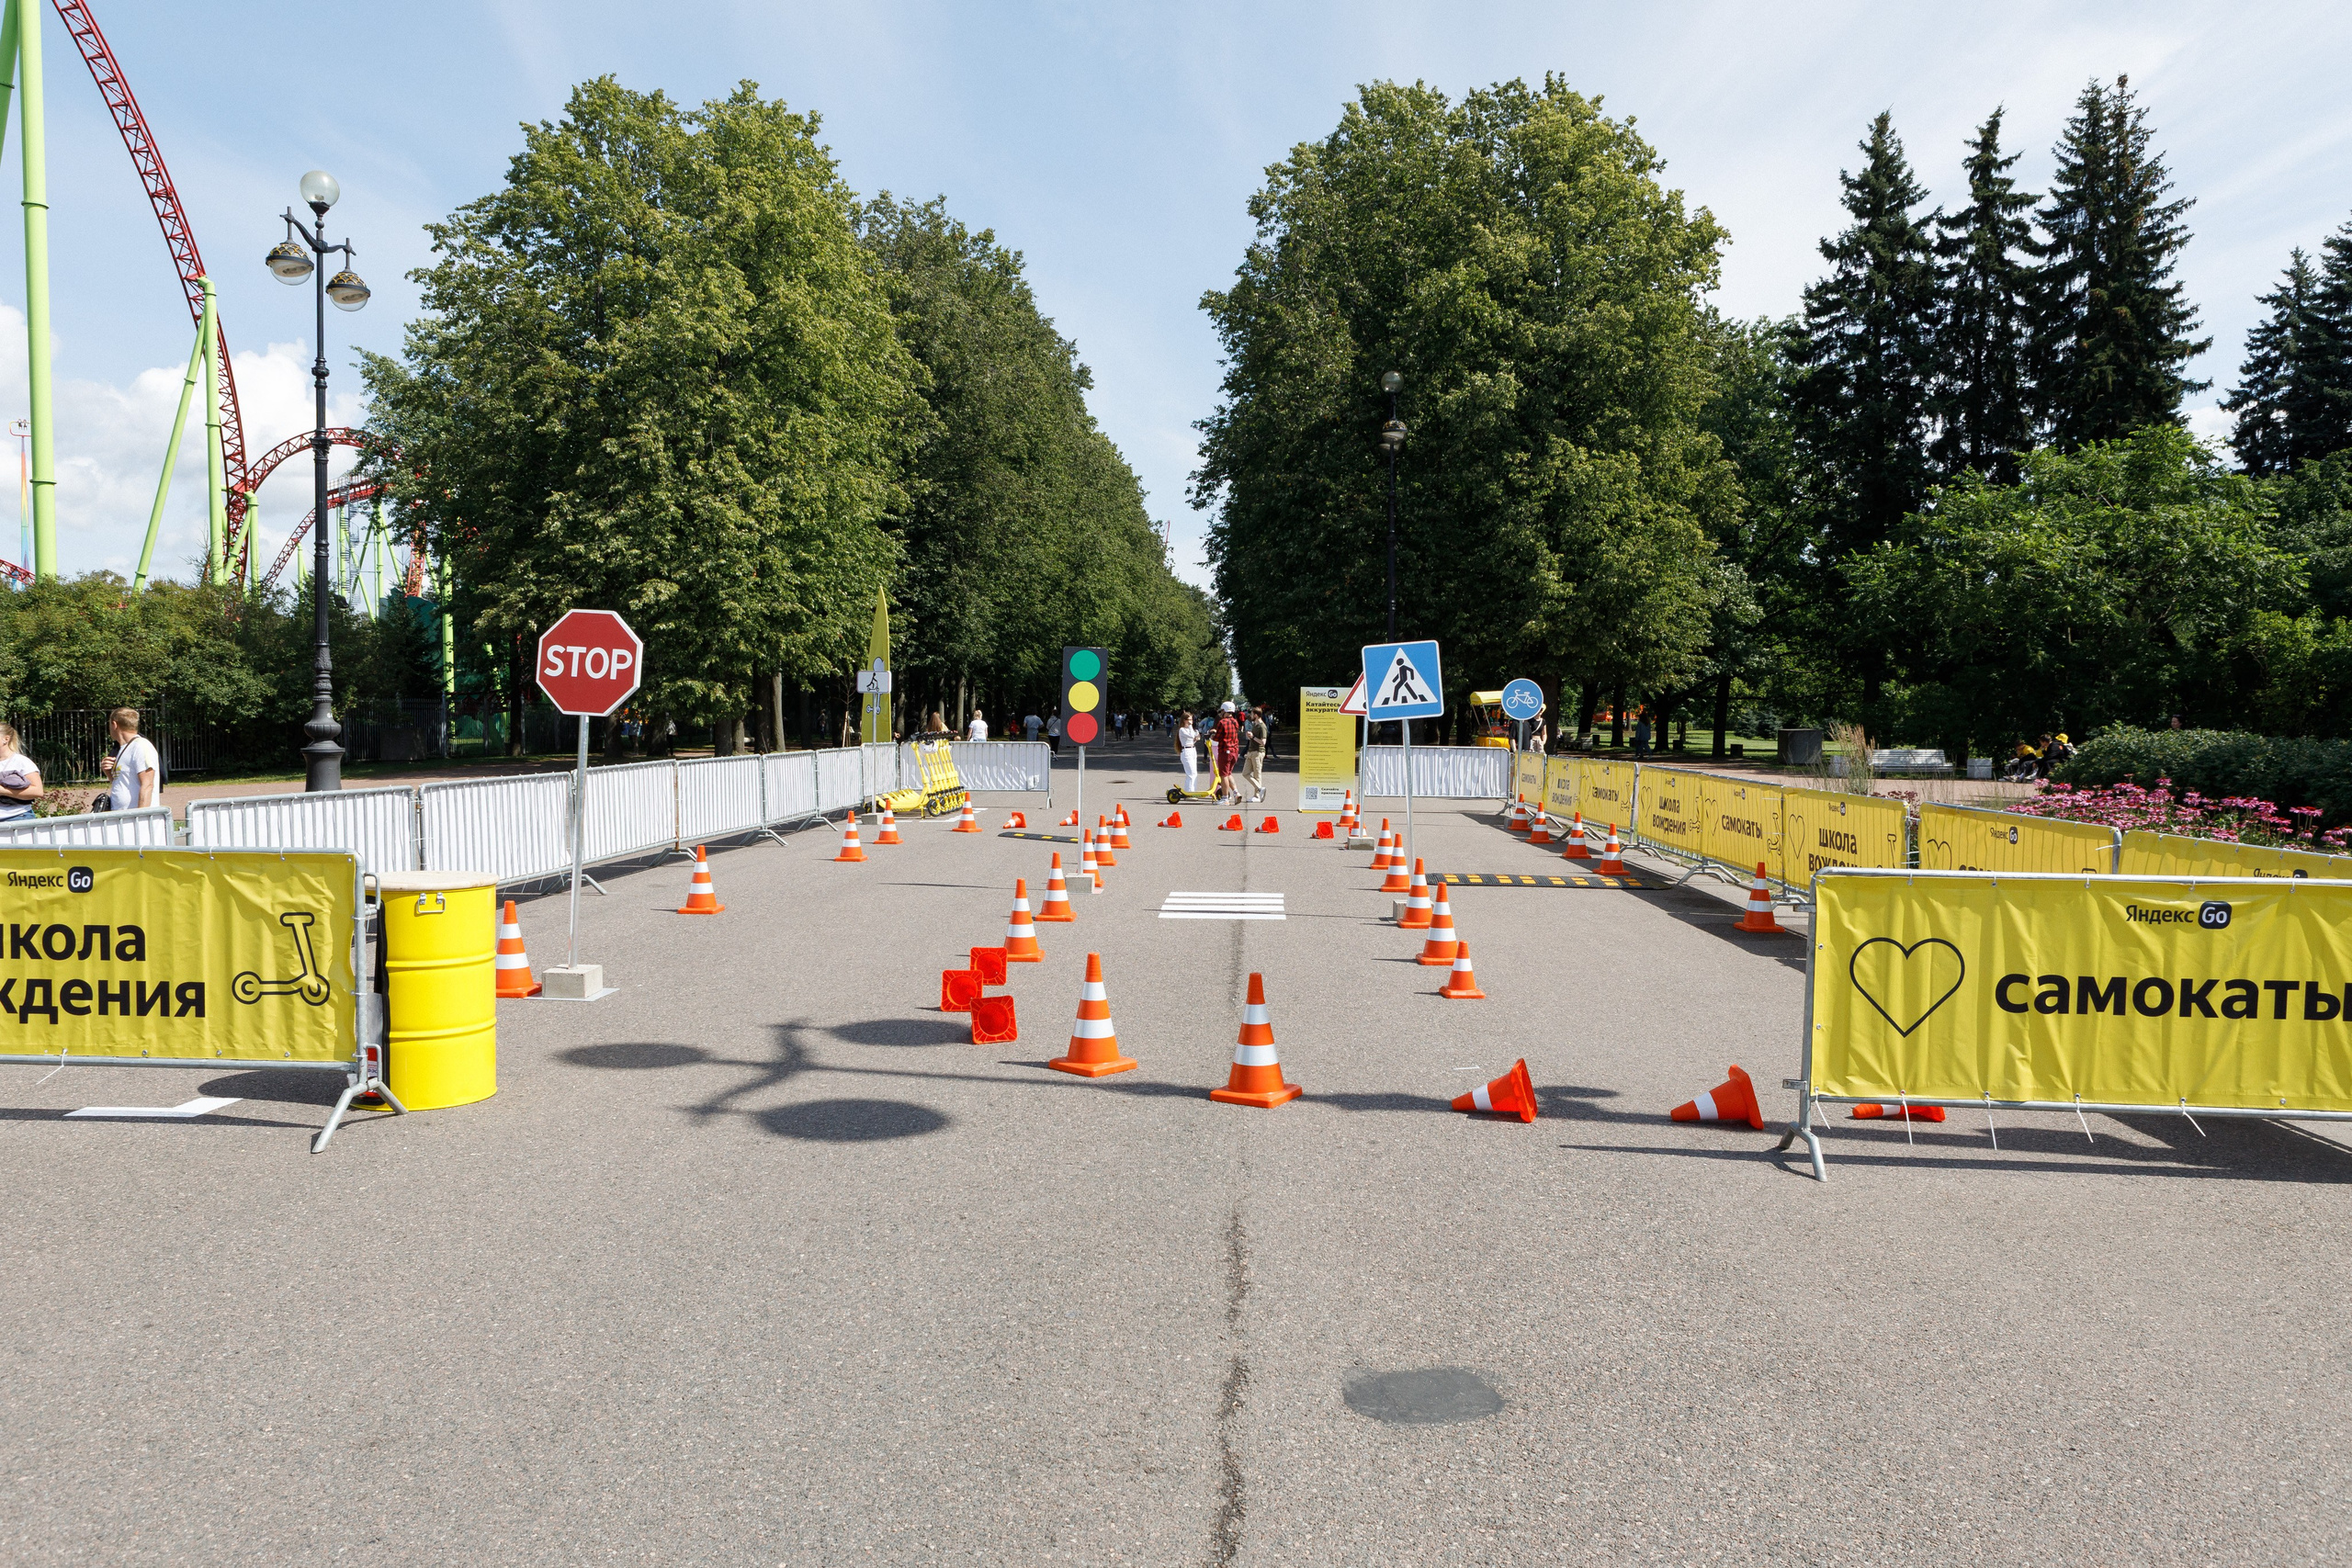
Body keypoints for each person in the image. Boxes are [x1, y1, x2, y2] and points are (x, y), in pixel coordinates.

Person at [97, 707, 158, 813]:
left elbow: (148, 785)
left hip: (135, 820)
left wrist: (140, 818)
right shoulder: (123, 748)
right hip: (123, 817)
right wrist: (108, 772)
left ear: (114, 724)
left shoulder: (141, 746)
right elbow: (122, 784)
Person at [0, 723, 41, 824]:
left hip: (17, 818)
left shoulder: (22, 762)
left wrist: (3, 791)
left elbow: (37, 791)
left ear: (6, 739)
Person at [1214, 702, 1242, 804]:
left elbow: (1217, 738)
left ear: (1224, 710)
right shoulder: (1235, 722)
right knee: (1229, 773)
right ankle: (1236, 793)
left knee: (1223, 775)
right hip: (1234, 751)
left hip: (1225, 751)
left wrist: (1212, 734)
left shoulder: (1222, 722)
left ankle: (1225, 798)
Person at [1241, 703, 1270, 804]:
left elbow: (1263, 742)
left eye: (1252, 714)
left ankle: (1257, 796)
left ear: (1256, 715)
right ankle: (1259, 788)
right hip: (1251, 752)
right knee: (1245, 773)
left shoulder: (1262, 727)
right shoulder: (1255, 725)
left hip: (1258, 752)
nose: (1251, 716)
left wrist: (1253, 737)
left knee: (1257, 775)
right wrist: (1251, 736)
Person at [1176, 710, 1200, 795]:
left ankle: (1189, 791)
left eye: (1191, 720)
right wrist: (1192, 729)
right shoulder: (1182, 730)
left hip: (1192, 750)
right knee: (1191, 773)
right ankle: (1190, 793)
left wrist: (1196, 738)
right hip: (1186, 751)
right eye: (1189, 720)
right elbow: (1192, 735)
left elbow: (1195, 737)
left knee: (1194, 773)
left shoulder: (1190, 729)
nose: (1190, 722)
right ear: (1184, 720)